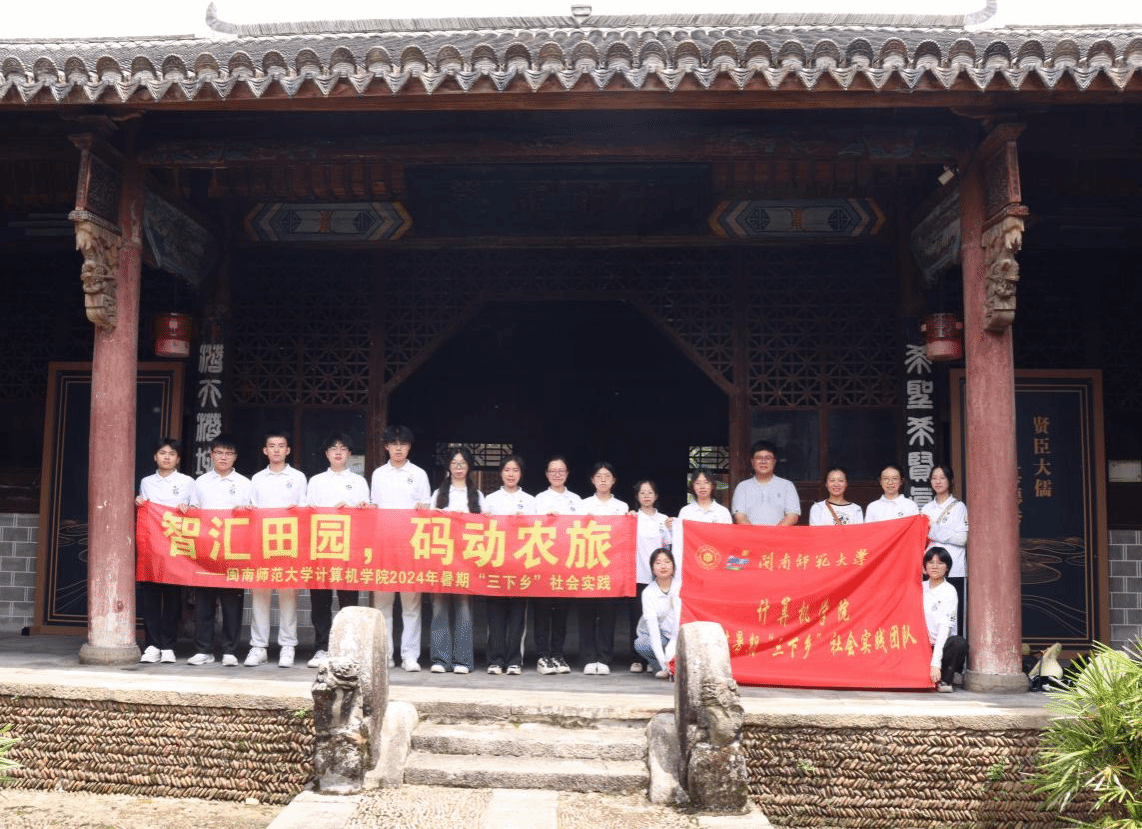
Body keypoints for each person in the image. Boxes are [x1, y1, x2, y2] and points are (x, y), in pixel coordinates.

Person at [370, 424, 432, 672]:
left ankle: (410, 655)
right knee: (382, 604)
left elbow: (427, 508)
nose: (398, 448)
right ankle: (384, 655)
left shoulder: (419, 474)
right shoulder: (378, 474)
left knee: (411, 605)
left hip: (410, 546)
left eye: (403, 444)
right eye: (394, 444)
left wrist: (423, 509)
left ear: (409, 447)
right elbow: (375, 508)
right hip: (384, 546)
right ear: (386, 447)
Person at [304, 432, 369, 669]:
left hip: (349, 548)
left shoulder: (359, 481)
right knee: (320, 600)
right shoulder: (316, 481)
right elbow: (308, 512)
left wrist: (354, 508)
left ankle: (347, 649)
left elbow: (367, 513)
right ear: (326, 454)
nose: (338, 452)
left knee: (348, 600)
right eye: (333, 448)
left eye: (343, 448)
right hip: (321, 547)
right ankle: (321, 647)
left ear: (350, 453)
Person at [189, 434, 253, 666]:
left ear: (235, 457)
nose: (224, 457)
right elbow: (194, 510)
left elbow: (255, 514)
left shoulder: (245, 483)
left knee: (231, 603)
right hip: (206, 550)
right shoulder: (201, 482)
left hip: (233, 550)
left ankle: (230, 651)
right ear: (211, 455)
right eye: (219, 453)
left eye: (228, 453)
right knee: (204, 603)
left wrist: (247, 510)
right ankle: (203, 650)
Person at [246, 430, 307, 668]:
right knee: (260, 596)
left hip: (289, 543)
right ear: (265, 450)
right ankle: (258, 646)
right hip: (261, 543)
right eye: (272, 446)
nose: (277, 450)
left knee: (288, 595)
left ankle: (288, 646)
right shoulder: (257, 479)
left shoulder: (299, 477)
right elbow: (251, 508)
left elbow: (305, 508)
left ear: (288, 450)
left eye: (281, 446)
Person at [135, 437, 195, 664]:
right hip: (151, 547)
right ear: (155, 457)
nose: (167, 457)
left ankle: (168, 645)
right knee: (150, 596)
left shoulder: (187, 482)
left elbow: (196, 509)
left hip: (175, 547)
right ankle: (151, 645)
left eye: (172, 454)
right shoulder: (146, 482)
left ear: (178, 459)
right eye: (162, 453)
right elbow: (146, 510)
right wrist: (139, 502)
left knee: (172, 598)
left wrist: (188, 508)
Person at [429, 446, 484, 674]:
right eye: (454, 463)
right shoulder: (438, 494)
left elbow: (485, 528)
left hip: (466, 563)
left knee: (464, 610)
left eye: (462, 463)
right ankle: (440, 659)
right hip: (442, 561)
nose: (458, 468)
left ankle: (463, 660)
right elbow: (428, 525)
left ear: (469, 466)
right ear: (448, 466)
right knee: (439, 608)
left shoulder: (477, 495)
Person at [482, 454, 535, 676]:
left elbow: (539, 532)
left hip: (520, 566)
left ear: (521, 474)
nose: (511, 474)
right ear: (501, 473)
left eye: (515, 470)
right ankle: (495, 660)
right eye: (507, 470)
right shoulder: (490, 499)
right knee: (495, 615)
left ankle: (514, 660)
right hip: (495, 565)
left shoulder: (530, 501)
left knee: (517, 616)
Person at [532, 455, 581, 675]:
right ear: (546, 474)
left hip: (567, 565)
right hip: (543, 563)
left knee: (561, 612)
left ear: (567, 473)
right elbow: (528, 528)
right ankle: (543, 656)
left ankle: (558, 655)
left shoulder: (576, 500)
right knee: (542, 611)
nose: (557, 474)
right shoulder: (539, 499)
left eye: (561, 471)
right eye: (553, 471)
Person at [578, 462, 628, 676]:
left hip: (611, 569)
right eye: (599, 476)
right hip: (587, 567)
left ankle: (605, 658)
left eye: (607, 476)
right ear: (592, 480)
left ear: (614, 480)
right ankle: (589, 658)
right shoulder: (583, 505)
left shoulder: (622, 507)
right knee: (587, 614)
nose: (603, 480)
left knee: (608, 615)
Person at [629, 479, 672, 673]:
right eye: (642, 493)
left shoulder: (664, 519)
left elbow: (669, 547)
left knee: (661, 617)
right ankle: (636, 658)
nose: (646, 496)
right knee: (637, 618)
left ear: (656, 496)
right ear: (637, 496)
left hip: (660, 577)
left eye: (650, 492)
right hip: (638, 575)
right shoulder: (632, 518)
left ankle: (654, 658)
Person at [921, 464, 969, 635]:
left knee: (954, 617)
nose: (938, 481)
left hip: (954, 570)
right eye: (934, 478)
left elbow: (962, 539)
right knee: (931, 616)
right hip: (931, 569)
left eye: (942, 477)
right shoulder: (926, 509)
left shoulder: (959, 507)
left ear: (950, 481)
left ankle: (955, 651)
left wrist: (934, 530)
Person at [671, 469, 733, 581]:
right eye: (698, 483)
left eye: (706, 482)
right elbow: (679, 543)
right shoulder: (686, 512)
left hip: (716, 565)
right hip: (692, 566)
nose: (702, 487)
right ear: (692, 486)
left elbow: (728, 542)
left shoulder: (722, 512)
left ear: (712, 485)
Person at [922, 546, 968, 693]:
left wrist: (935, 663)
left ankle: (946, 679)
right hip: (920, 646)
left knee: (959, 643)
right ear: (925, 566)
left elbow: (944, 629)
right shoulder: (920, 587)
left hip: (940, 646)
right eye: (930, 562)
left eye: (940, 563)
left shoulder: (949, 591)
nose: (934, 566)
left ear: (947, 567)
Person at [634, 548, 681, 679]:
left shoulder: (681, 587)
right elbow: (653, 631)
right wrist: (663, 661)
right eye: (658, 563)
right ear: (652, 568)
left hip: (681, 637)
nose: (663, 566)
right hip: (663, 637)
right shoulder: (648, 593)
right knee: (642, 644)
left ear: (673, 565)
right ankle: (662, 667)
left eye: (667, 562)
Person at [731, 440, 801, 526]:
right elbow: (739, 516)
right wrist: (754, 533)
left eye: (768, 458)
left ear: (774, 461)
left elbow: (792, 515)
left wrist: (775, 532)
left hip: (780, 533)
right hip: (749, 533)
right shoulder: (742, 487)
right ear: (752, 461)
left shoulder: (787, 486)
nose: (763, 462)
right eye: (759, 458)